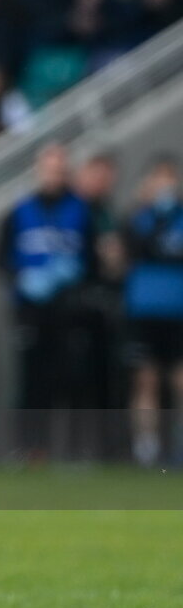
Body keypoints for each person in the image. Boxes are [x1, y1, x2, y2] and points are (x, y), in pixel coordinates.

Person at [0, 144, 98, 460]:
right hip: (31, 310)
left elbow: (92, 261)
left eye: (59, 169)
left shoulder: (81, 210)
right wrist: (23, 279)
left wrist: (74, 274)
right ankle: (31, 448)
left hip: (70, 310)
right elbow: (2, 258)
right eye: (48, 169)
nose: (54, 175)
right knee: (31, 382)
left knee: (73, 380)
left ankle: (74, 450)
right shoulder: (20, 210)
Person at [123, 154, 183, 466]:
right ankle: (146, 448)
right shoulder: (138, 218)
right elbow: (133, 248)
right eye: (159, 179)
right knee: (146, 380)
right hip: (144, 311)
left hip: (178, 311)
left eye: (170, 178)